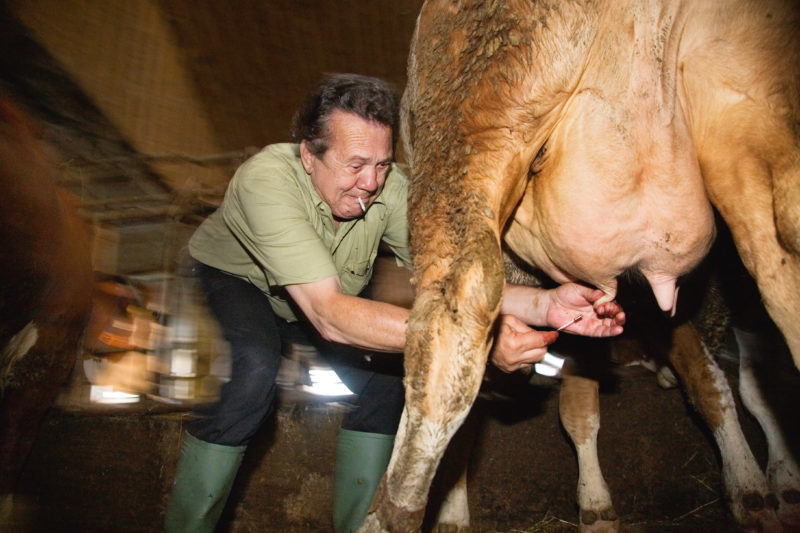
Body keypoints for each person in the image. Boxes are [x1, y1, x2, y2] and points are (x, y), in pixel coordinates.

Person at [164, 73, 625, 533]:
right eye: (356, 164)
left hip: (327, 297)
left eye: (382, 164)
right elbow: (329, 316)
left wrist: (545, 305)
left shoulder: (391, 188)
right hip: (241, 284)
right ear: (309, 155)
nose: (371, 181)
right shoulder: (265, 181)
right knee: (254, 368)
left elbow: (452, 282)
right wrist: (475, 340)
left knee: (389, 381)